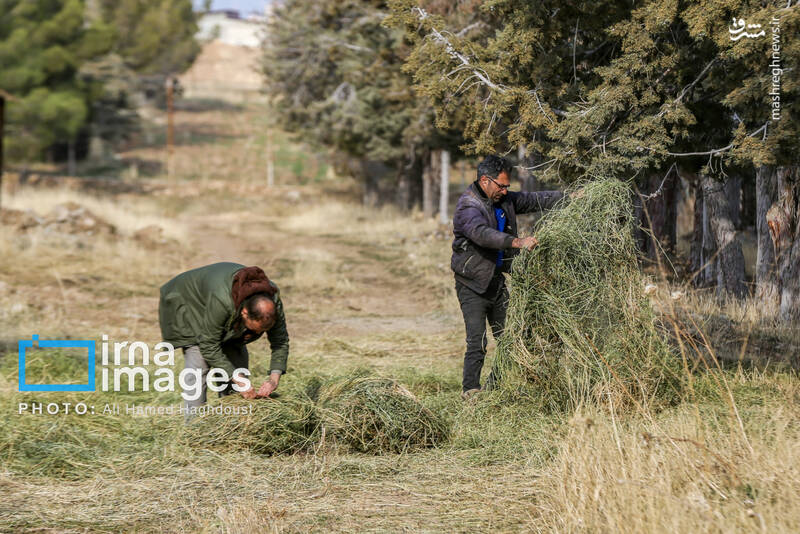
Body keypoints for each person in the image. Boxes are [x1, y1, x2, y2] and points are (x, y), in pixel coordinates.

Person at [451, 155, 564, 399]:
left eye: (507, 186)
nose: (505, 190)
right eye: (501, 185)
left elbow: (535, 199)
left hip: (496, 281)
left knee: (509, 339)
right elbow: (482, 234)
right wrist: (517, 242)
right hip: (472, 284)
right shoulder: (468, 206)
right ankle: (470, 391)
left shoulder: (504, 200)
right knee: (477, 341)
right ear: (484, 180)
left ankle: (493, 389)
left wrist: (569, 197)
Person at [158, 262, 290, 419]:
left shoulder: (272, 301)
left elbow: (280, 341)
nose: (257, 334)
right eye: (255, 330)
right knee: (198, 364)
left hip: (226, 310)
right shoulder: (222, 301)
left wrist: (273, 380)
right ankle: (194, 429)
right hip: (189, 304)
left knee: (237, 367)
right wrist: (235, 376)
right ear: (245, 313)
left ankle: (231, 424)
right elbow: (208, 345)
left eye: (263, 331)